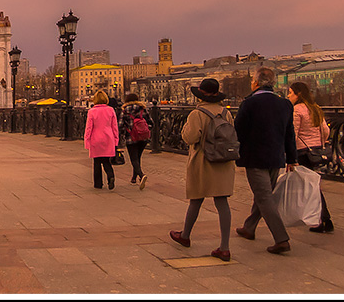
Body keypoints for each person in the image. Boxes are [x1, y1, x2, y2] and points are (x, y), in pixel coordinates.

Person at [169, 77, 237, 262]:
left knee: (196, 200)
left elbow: (190, 137)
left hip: (203, 161)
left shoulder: (197, 114)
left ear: (201, 95)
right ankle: (225, 247)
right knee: (222, 203)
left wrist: (185, 130)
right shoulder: (225, 112)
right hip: (223, 161)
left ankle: (185, 235)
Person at [233, 67, 297, 255]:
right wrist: (291, 157)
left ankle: (281, 239)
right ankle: (249, 227)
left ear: (256, 83)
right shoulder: (284, 104)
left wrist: (234, 153)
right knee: (263, 194)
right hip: (276, 157)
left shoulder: (249, 103)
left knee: (263, 197)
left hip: (255, 157)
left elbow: (238, 131)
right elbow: (289, 134)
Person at [289, 81, 334, 233]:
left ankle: (323, 219)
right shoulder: (315, 108)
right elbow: (326, 130)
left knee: (311, 188)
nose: (288, 96)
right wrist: (318, 142)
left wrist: (289, 155)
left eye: (290, 93)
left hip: (303, 152)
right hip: (316, 151)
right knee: (314, 186)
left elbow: (293, 135)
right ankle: (322, 219)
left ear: (298, 94)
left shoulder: (296, 110)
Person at [84, 89, 120, 190]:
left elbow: (89, 128)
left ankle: (98, 184)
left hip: (96, 138)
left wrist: (87, 141)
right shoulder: (110, 110)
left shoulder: (92, 111)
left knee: (96, 162)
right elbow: (115, 127)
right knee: (106, 161)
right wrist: (116, 140)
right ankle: (110, 176)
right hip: (108, 138)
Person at [120, 92, 153, 188]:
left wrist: (124, 134)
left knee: (134, 159)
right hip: (143, 137)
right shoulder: (143, 109)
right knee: (138, 157)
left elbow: (120, 125)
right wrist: (145, 130)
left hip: (131, 137)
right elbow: (151, 123)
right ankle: (134, 178)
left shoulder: (125, 110)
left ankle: (141, 175)